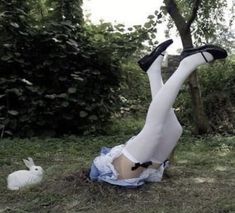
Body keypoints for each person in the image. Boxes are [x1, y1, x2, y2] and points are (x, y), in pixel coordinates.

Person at [89, 39, 228, 187]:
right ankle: (153, 69)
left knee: (154, 129)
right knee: (175, 130)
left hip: (122, 172)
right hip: (140, 171)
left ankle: (186, 65)